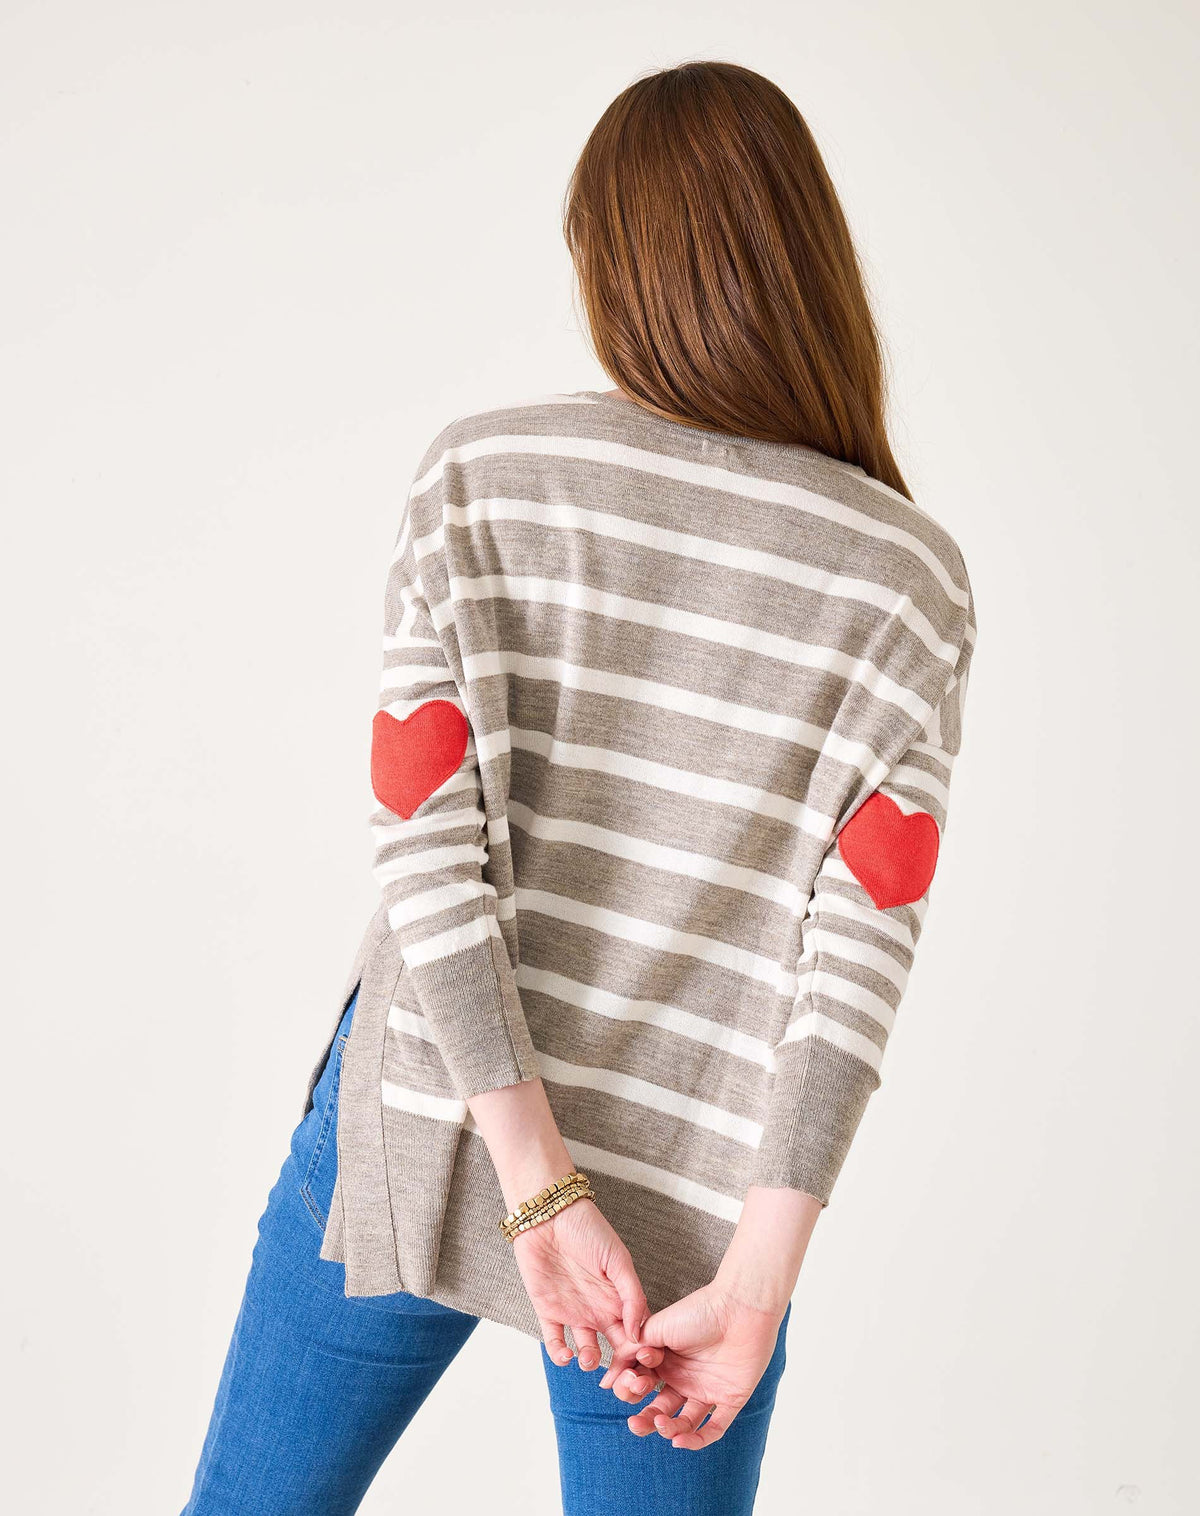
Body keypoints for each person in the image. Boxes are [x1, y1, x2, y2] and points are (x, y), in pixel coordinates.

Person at [180, 58, 977, 1516]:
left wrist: (538, 1187)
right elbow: (853, 961)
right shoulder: (904, 578)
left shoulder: (488, 476)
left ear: (612, 261)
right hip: (691, 1212)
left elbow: (429, 854)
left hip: (432, 1117)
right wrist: (759, 1278)